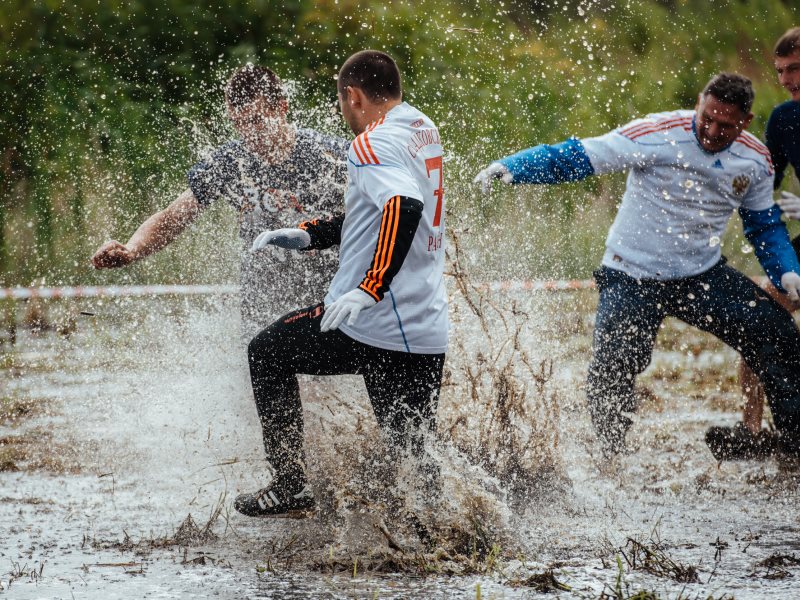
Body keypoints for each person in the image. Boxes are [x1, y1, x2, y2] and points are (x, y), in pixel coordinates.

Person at [474, 72, 800, 460]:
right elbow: (579, 155)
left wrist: (786, 270)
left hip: (701, 274)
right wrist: (513, 167)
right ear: (698, 103)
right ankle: (609, 458)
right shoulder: (657, 132)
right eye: (706, 118)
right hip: (631, 273)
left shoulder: (755, 159)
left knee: (778, 334)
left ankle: (793, 446)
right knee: (613, 366)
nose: (712, 131)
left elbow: (763, 225)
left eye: (725, 125)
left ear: (744, 122)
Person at [233, 50, 448, 518]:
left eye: (341, 101)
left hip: (372, 325)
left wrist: (368, 287)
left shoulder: (368, 144)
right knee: (415, 461)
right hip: (426, 325)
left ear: (352, 96)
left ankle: (290, 484)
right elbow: (376, 210)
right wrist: (311, 234)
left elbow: (403, 206)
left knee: (266, 352)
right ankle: (454, 542)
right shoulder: (420, 129)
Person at [91, 64, 348, 337]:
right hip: (262, 294)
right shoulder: (230, 162)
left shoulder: (327, 155)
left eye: (255, 121)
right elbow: (173, 216)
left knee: (324, 378)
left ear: (281, 108)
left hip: (325, 287)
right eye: (238, 124)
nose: (248, 135)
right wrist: (132, 249)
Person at [705, 28, 800, 460]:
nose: (786, 80)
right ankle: (752, 430)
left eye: (795, 68)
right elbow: (762, 186)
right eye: (780, 71)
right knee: (762, 317)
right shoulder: (784, 120)